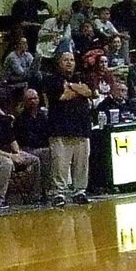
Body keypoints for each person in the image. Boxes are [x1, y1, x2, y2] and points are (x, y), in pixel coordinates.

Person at [44, 50, 93, 205]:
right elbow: (63, 96)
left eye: (72, 59)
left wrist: (72, 86)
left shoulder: (81, 77)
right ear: (59, 63)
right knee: (60, 164)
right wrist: (78, 90)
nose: (69, 62)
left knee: (81, 163)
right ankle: (59, 193)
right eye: (65, 60)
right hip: (60, 128)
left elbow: (89, 92)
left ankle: (80, 191)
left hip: (81, 127)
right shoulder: (52, 80)